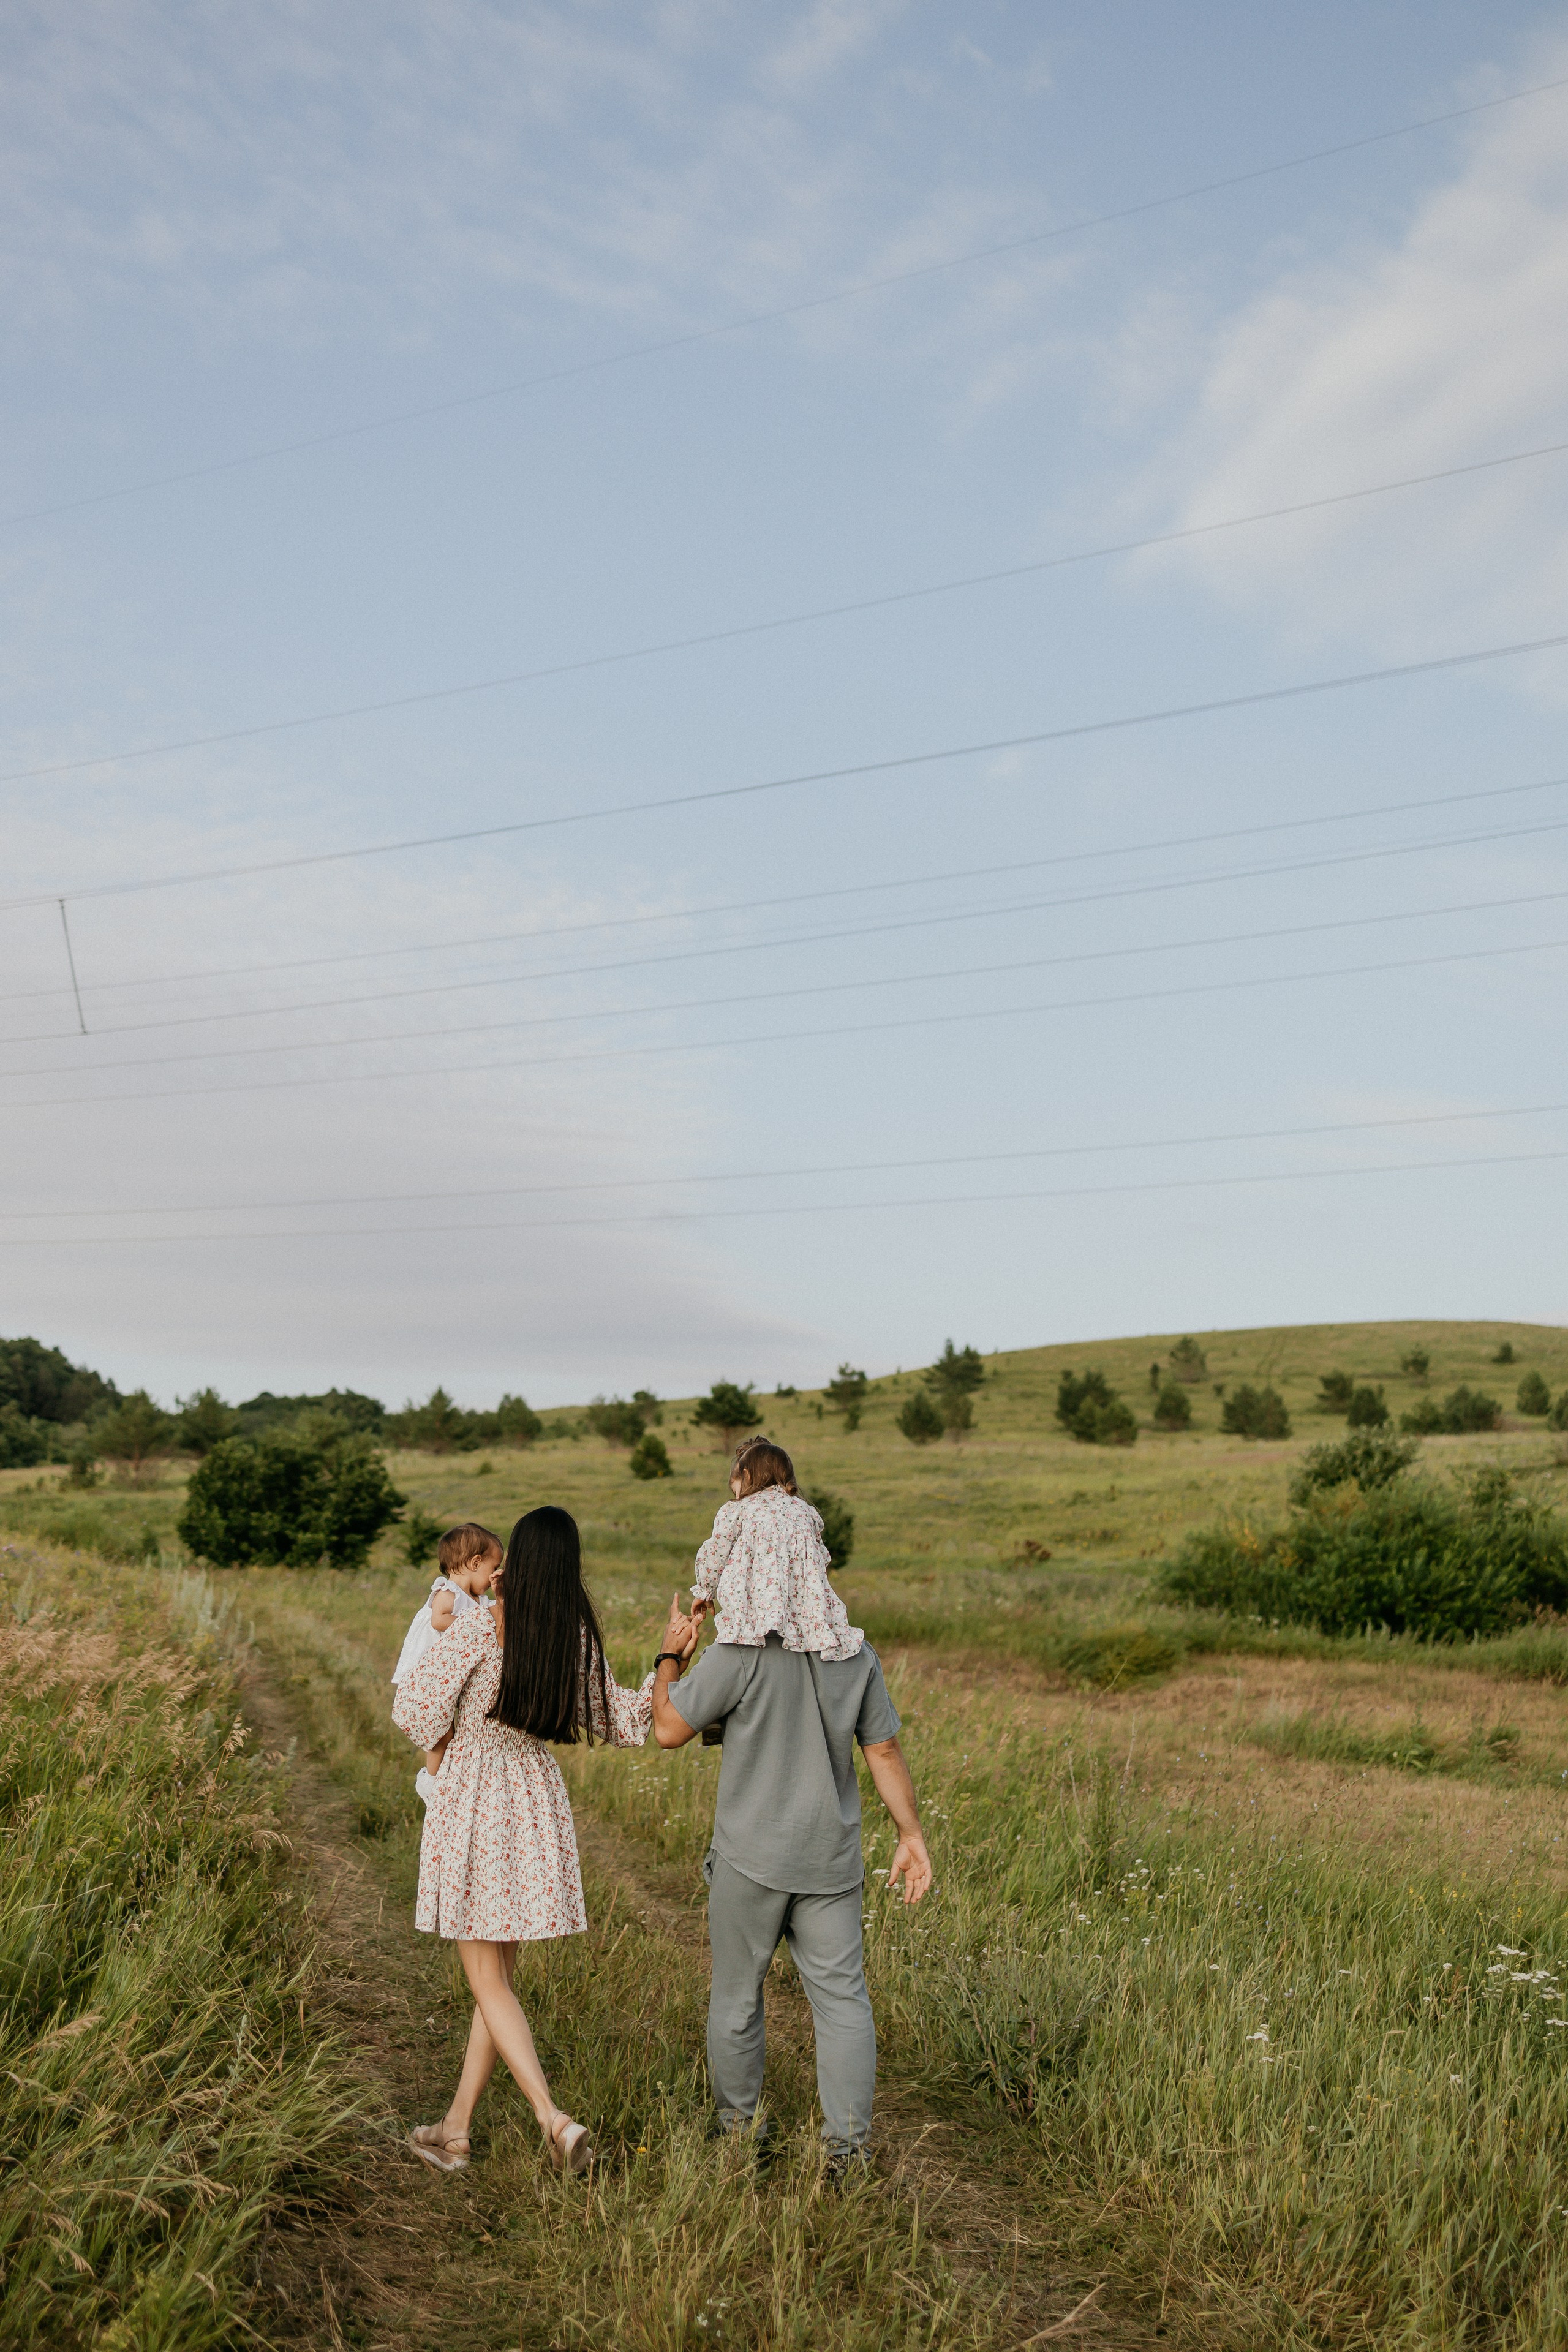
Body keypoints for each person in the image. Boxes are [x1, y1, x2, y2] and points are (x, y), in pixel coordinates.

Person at [391, 1504, 700, 2175]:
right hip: (532, 1800)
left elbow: (412, 1711)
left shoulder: (482, 1631)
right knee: (496, 1980)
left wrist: (446, 1704)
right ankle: (454, 2130)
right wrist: (671, 1656)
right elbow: (624, 1723)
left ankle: (551, 2119)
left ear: (518, 1563)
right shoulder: (574, 1639)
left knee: (485, 1978)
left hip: (475, 1794)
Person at [654, 1443, 932, 2171]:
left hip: (751, 1856)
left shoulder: (737, 1654)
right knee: (843, 2003)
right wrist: (910, 1835)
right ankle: (846, 2155)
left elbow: (666, 1730)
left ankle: (740, 2137)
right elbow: (883, 1752)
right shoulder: (853, 1653)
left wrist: (670, 1656)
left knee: (738, 1999)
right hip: (830, 1859)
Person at [690, 1436, 860, 1662]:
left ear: (747, 1475)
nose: (737, 1496)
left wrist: (705, 1592)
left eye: (736, 1490)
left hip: (752, 1609)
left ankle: (754, 1642)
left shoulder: (738, 1510)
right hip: (803, 1608)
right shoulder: (805, 1511)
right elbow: (820, 1559)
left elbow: (715, 1553)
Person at [391, 1522, 502, 1801]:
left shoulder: (478, 1601)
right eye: (494, 1568)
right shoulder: (449, 1593)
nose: (494, 1576)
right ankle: (430, 1785)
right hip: (428, 1679)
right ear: (476, 1562)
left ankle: (444, 1782)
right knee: (442, 1735)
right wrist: (475, 1626)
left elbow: (498, 1618)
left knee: (451, 1734)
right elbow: (439, 1620)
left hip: (449, 1681)